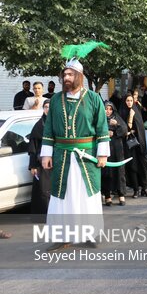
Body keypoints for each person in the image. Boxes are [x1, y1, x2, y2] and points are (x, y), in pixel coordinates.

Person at [41, 41, 110, 251]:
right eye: (65, 75)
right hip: (61, 155)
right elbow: (49, 129)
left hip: (86, 155)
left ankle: (90, 235)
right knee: (62, 195)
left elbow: (102, 128)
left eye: (71, 75)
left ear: (79, 76)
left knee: (87, 194)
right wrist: (46, 154)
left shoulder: (94, 99)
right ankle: (63, 237)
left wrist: (103, 154)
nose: (66, 78)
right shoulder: (55, 100)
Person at [119, 93, 147, 199]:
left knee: (143, 165)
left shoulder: (136, 111)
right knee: (133, 167)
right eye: (127, 101)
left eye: (131, 101)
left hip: (140, 145)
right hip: (129, 145)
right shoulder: (122, 113)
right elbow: (124, 129)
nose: (129, 103)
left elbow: (140, 127)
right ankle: (136, 189)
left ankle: (144, 189)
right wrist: (130, 117)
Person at [28, 99, 51, 215]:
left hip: (58, 161)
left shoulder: (59, 123)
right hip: (42, 163)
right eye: (46, 107)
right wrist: (33, 166)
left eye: (50, 107)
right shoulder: (39, 125)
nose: (48, 109)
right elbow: (33, 147)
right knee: (43, 190)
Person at [102, 101, 128, 206]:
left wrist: (116, 125)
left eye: (110, 109)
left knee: (119, 171)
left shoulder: (116, 117)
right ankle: (107, 196)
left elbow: (125, 130)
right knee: (106, 172)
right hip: (105, 148)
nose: (108, 111)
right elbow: (94, 130)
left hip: (117, 148)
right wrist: (106, 133)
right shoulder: (101, 119)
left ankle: (121, 195)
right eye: (106, 109)